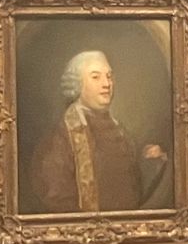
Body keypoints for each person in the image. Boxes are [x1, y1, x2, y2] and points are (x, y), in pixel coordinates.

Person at [26, 49, 170, 212]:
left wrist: (149, 161)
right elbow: (56, 198)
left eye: (109, 76)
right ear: (77, 84)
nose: (106, 84)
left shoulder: (119, 131)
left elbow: (130, 184)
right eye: (96, 77)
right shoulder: (59, 138)